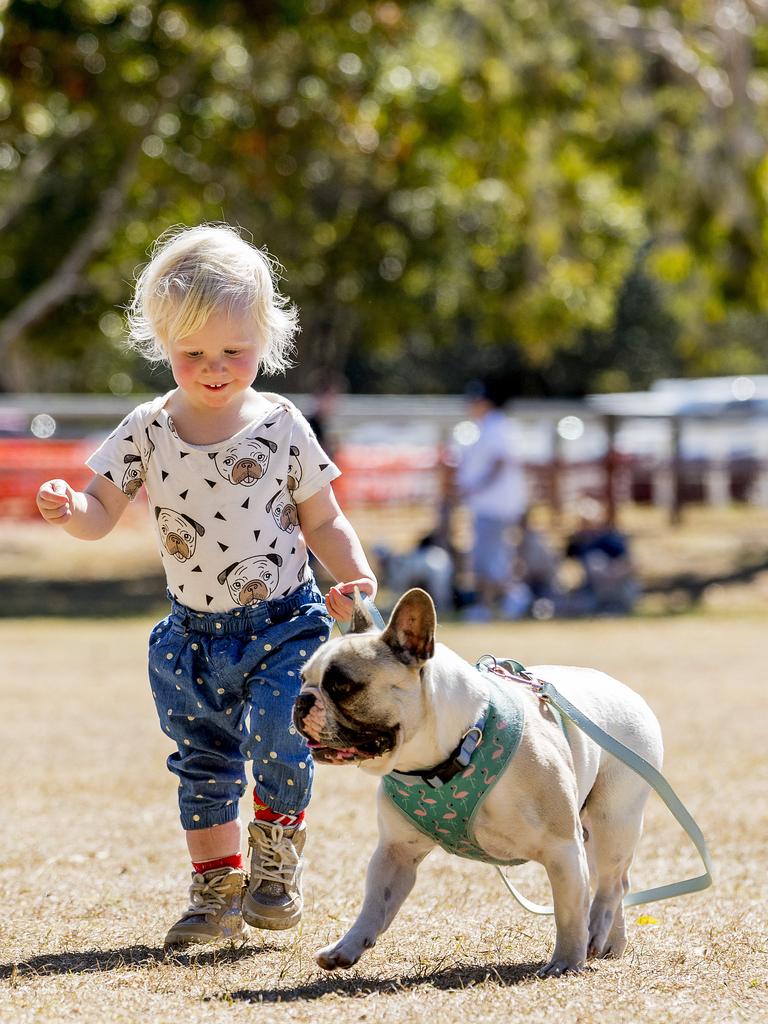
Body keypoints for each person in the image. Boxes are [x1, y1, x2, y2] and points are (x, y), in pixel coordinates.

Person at [35, 224, 377, 952]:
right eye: (193, 354)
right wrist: (71, 510)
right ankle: (215, 889)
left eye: (234, 352)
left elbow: (324, 517)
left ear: (266, 339)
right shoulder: (148, 428)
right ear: (163, 343)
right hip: (190, 637)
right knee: (203, 761)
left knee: (285, 735)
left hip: (286, 623)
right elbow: (101, 513)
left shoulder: (282, 424)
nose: (215, 368)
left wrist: (354, 573)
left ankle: (276, 864)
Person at [454, 379, 528, 621]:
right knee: (488, 558)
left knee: (488, 560)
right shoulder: (486, 426)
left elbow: (499, 462)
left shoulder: (496, 426)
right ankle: (499, 601)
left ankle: (507, 599)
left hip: (495, 505)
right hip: (488, 505)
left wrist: (476, 487)